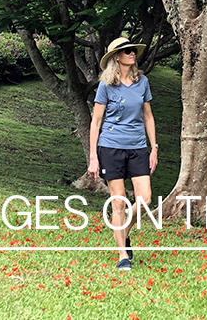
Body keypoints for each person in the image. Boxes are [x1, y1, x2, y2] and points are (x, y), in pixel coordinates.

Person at [88, 36, 158, 271]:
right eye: (126, 51)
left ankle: (123, 230)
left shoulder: (143, 82)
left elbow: (148, 117)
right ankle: (122, 256)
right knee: (118, 203)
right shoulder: (105, 86)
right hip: (111, 147)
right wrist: (93, 157)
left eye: (132, 50)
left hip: (138, 147)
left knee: (145, 199)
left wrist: (154, 148)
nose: (131, 53)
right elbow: (96, 122)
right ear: (116, 58)